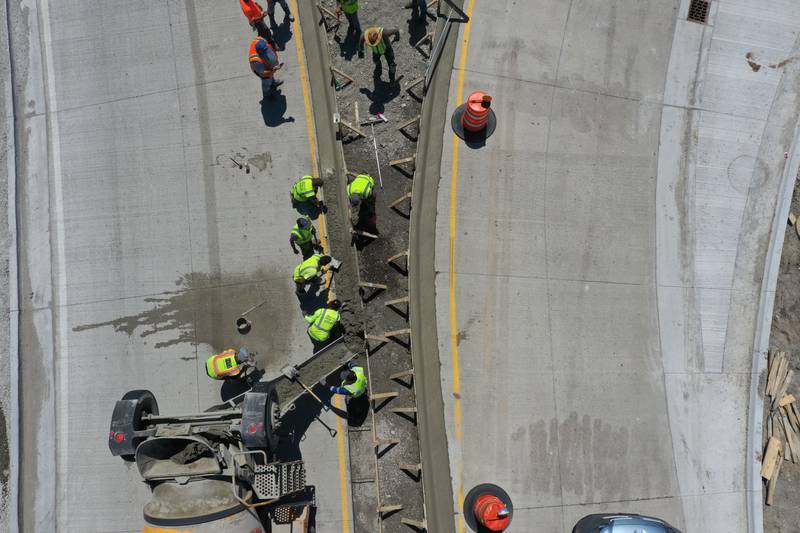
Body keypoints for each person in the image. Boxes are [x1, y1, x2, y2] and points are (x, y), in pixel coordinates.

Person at [249, 36, 284, 101]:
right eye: (264, 50)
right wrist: (273, 70)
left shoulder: (259, 40)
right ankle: (267, 94)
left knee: (271, 77)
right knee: (266, 82)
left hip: (269, 66)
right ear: (259, 51)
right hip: (262, 71)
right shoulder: (256, 61)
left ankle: (273, 83)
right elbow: (263, 74)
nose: (266, 49)